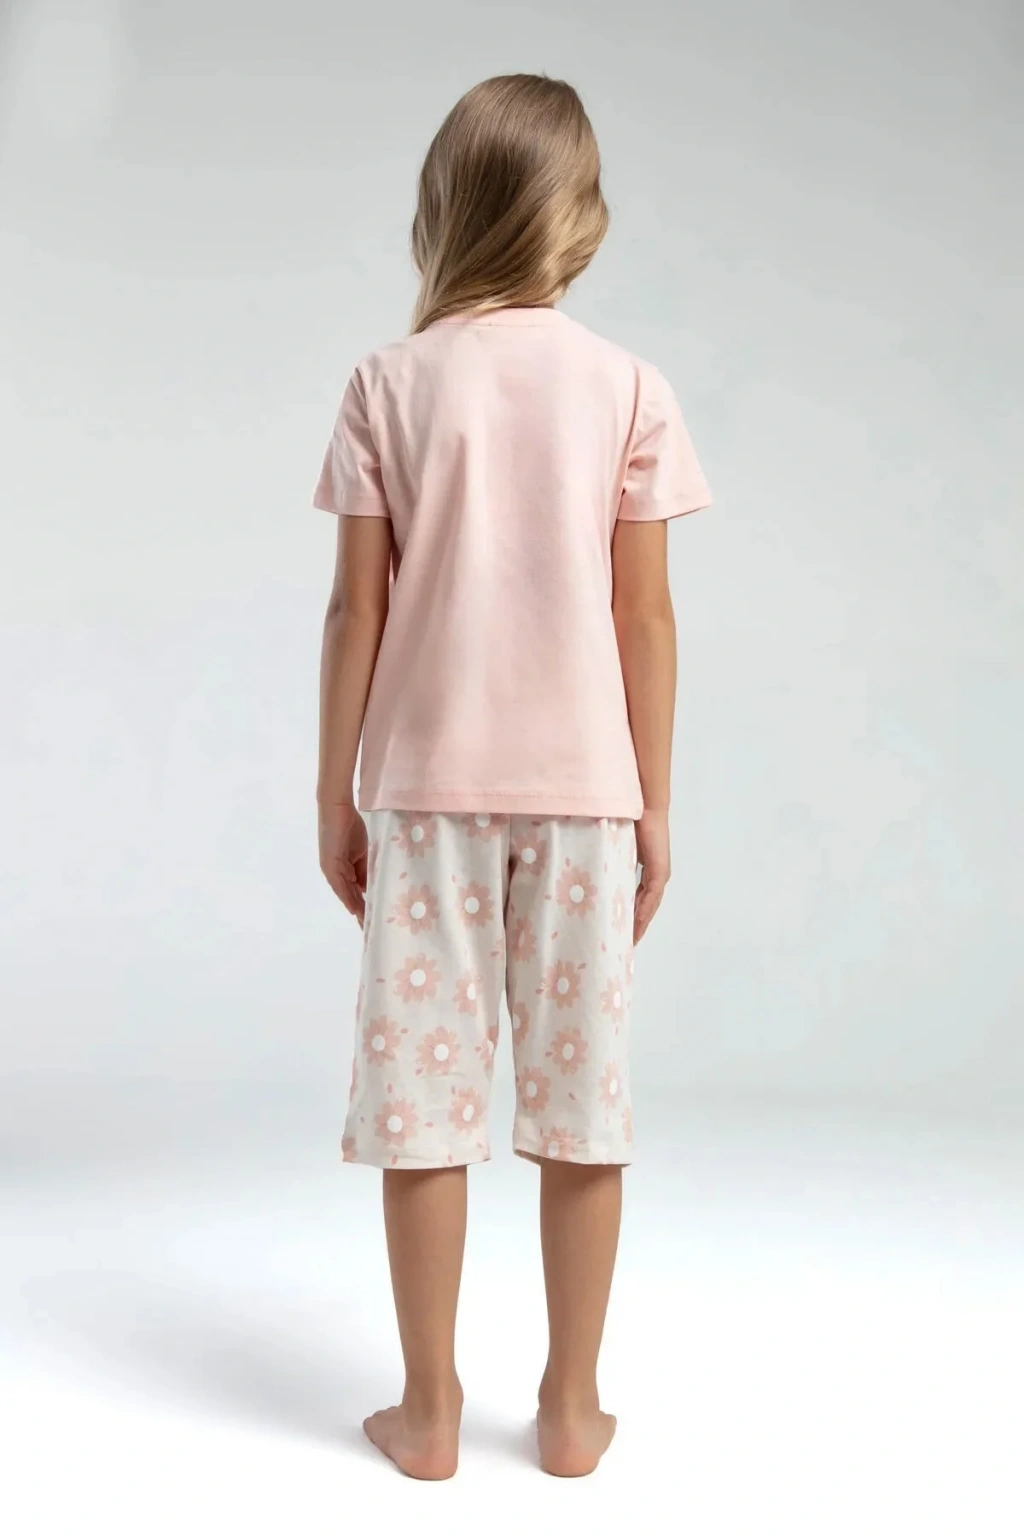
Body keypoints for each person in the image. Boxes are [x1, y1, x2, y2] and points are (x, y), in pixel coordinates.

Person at [313, 73, 711, 1480]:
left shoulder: (388, 381)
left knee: (422, 1104)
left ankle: (427, 1413)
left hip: (424, 791)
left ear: (445, 209)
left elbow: (357, 610)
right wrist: (655, 803)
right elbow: (643, 616)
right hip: (587, 795)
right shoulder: (629, 387)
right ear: (577, 216)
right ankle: (570, 1409)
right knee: (582, 1102)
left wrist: (336, 794)